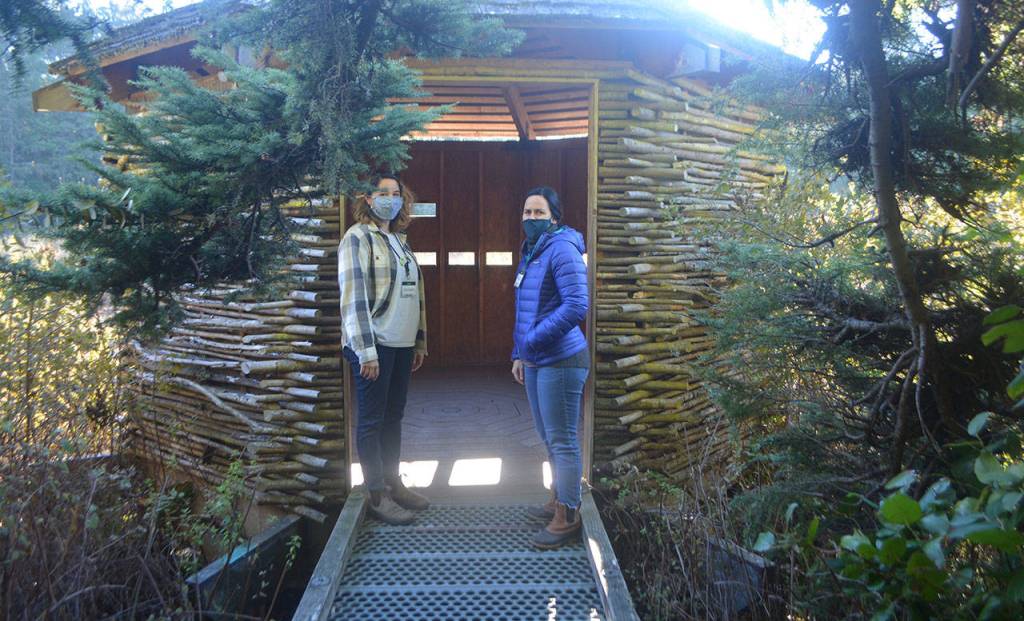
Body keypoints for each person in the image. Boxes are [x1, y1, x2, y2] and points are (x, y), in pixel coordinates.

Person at [338, 173, 429, 525]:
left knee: (394, 417)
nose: (390, 199)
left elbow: (413, 296)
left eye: (396, 194)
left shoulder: (399, 240)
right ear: (368, 199)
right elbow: (353, 299)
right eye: (382, 193)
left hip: (402, 344)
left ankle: (394, 483)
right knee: (373, 420)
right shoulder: (357, 238)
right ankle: (375, 494)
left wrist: (418, 342)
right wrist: (366, 351)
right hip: (374, 345)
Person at [511, 186, 590, 549]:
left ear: (555, 218)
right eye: (527, 213)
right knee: (548, 436)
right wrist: (519, 352)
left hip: (561, 359)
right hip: (537, 358)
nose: (531, 219)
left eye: (539, 213)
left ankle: (568, 515)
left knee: (563, 440)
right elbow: (525, 310)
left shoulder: (562, 248)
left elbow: (576, 305)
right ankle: (556, 497)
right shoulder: (532, 251)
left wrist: (534, 340)